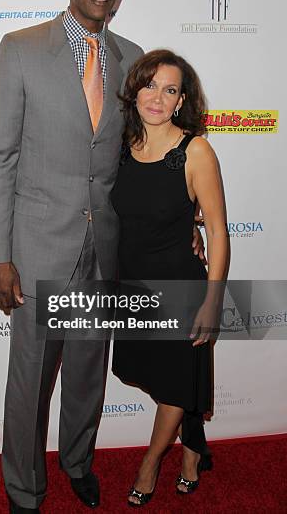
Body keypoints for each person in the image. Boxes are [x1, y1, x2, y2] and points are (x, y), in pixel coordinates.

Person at [0, 0, 144, 513]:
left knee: (85, 372)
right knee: (30, 380)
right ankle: (23, 489)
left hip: (102, 247)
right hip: (37, 250)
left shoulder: (132, 61)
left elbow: (138, 159)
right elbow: (0, 157)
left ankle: (77, 461)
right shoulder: (21, 48)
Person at [111, 49, 229, 506]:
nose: (158, 97)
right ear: (136, 89)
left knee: (177, 383)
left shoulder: (195, 150)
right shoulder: (121, 144)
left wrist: (212, 301)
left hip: (181, 288)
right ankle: (193, 448)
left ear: (181, 100)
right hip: (134, 287)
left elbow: (217, 230)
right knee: (161, 377)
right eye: (150, 85)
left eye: (170, 89)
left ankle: (150, 462)